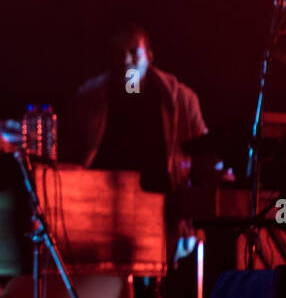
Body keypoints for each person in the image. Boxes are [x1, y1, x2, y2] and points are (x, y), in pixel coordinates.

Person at [70, 24, 208, 194]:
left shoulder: (182, 100)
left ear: (149, 57)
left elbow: (205, 152)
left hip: (164, 207)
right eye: (120, 54)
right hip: (101, 199)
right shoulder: (89, 98)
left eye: (134, 53)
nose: (127, 61)